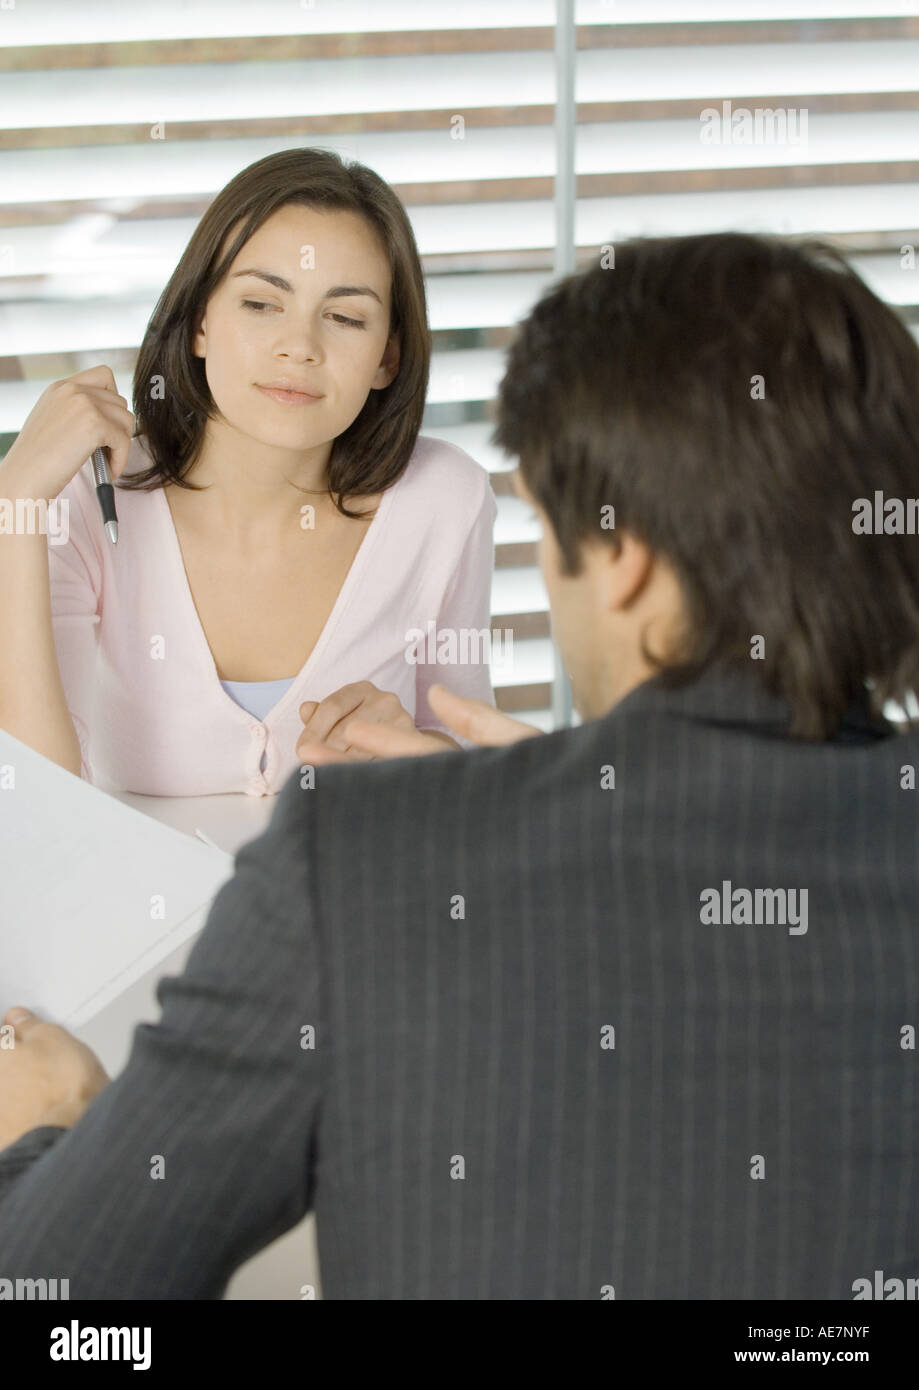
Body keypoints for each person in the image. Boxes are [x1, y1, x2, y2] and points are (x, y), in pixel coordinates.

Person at [2, 231, 919, 1300]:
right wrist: (582, 780)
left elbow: (63, 1302)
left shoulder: (360, 868)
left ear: (619, 561)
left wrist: (56, 1128)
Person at [0, 148, 496, 796]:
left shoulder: (443, 501)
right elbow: (37, 799)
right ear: (201, 320)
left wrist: (414, 752)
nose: (300, 347)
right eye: (262, 304)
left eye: (345, 317)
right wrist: (14, 502)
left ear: (387, 357)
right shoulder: (92, 496)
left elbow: (471, 767)